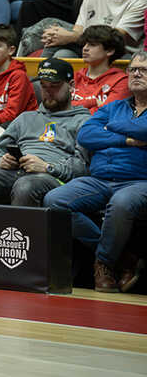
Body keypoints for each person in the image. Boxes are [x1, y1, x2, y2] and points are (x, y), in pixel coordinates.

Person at [43, 49, 147, 293]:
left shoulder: (111, 116)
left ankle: (104, 263)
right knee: (55, 200)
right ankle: (120, 257)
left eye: (143, 70)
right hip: (99, 179)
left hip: (138, 181)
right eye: (133, 69)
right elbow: (86, 134)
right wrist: (126, 139)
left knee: (122, 203)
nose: (136, 74)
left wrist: (110, 128)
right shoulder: (113, 107)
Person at [0, 58, 90, 207]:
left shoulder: (84, 121)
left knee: (25, 185)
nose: (48, 91)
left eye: (54, 86)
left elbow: (82, 166)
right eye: (43, 86)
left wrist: (47, 167)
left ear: (71, 86)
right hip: (15, 172)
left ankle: (15, 224)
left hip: (53, 177)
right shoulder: (25, 118)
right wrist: (1, 161)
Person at [72, 25, 129, 113]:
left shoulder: (121, 82)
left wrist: (76, 106)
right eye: (85, 44)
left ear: (109, 51)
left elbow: (107, 113)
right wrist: (93, 102)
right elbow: (58, 109)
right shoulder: (73, 77)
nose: (85, 48)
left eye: (92, 45)